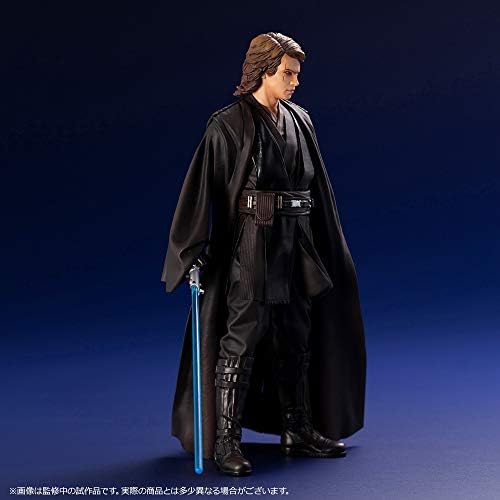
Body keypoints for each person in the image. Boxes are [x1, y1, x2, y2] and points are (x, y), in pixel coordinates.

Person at [161, 32, 366, 476]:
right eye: (288, 73)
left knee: (296, 336)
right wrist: (191, 250)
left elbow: (317, 188)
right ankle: (227, 440)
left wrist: (325, 244)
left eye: (296, 74)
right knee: (242, 338)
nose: (295, 82)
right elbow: (201, 189)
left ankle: (298, 429)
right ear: (264, 71)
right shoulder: (228, 124)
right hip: (252, 246)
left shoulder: (300, 120)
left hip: (298, 243)